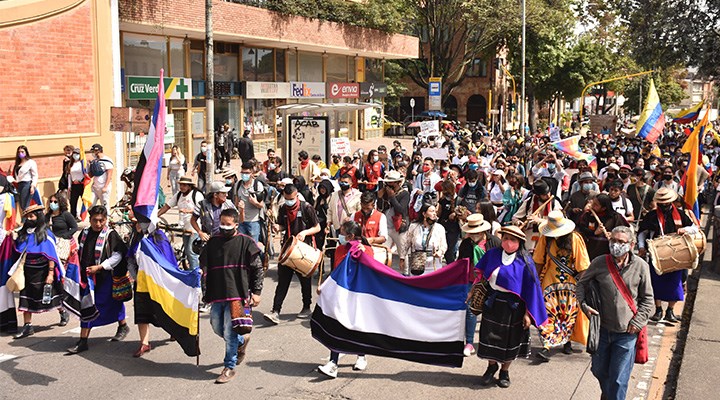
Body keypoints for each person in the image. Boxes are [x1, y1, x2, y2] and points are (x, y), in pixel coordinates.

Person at [576, 226, 654, 400]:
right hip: (601, 331)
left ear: (631, 244)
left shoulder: (641, 266)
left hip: (626, 334)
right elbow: (581, 285)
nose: (616, 245)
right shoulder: (599, 262)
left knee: (618, 379)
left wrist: (637, 322)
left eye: (621, 242)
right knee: (598, 370)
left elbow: (648, 300)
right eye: (613, 241)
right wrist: (584, 305)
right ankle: (609, 395)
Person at [474, 225, 548, 388]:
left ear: (519, 242)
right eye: (505, 238)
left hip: (514, 307)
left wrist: (528, 314)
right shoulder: (492, 254)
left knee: (510, 341)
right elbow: (480, 273)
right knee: (489, 337)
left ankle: (504, 371)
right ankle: (491, 367)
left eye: (512, 240)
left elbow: (532, 290)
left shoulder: (525, 261)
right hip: (492, 302)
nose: (508, 242)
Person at [200, 208, 263, 384]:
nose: (224, 227)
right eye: (222, 223)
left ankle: (229, 367)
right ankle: (242, 340)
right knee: (216, 326)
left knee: (229, 331)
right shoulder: (213, 242)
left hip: (237, 294)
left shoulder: (246, 243)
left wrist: (256, 292)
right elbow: (203, 263)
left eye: (228, 225)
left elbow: (257, 269)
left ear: (236, 224)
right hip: (216, 293)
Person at [67, 205, 130, 353]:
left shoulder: (110, 234)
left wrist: (101, 266)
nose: (98, 224)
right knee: (87, 306)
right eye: (95, 220)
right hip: (87, 277)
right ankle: (83, 341)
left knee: (113, 302)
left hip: (104, 276)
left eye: (101, 220)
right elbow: (82, 250)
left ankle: (122, 325)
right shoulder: (84, 233)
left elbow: (118, 255)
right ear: (90, 220)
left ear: (106, 219)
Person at [533, 211, 590, 361]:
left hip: (570, 283)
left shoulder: (575, 239)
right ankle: (547, 345)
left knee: (568, 313)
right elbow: (538, 260)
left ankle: (567, 341)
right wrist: (535, 281)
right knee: (548, 313)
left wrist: (582, 286)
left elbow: (583, 266)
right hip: (549, 281)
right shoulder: (546, 237)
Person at [317, 220, 371, 378]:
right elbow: (336, 272)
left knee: (357, 325)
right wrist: (324, 285)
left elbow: (371, 271)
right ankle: (333, 363)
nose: (339, 236)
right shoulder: (339, 249)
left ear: (351, 236)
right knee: (337, 326)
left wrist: (364, 253)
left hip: (359, 295)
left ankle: (361, 356)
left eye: (341, 233)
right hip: (341, 294)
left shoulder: (366, 249)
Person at [637, 188, 697, 323]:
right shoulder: (651, 216)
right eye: (661, 202)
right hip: (656, 255)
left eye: (666, 202)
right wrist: (641, 247)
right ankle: (658, 310)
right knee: (656, 283)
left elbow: (694, 228)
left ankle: (670, 311)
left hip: (677, 255)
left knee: (675, 283)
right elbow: (642, 232)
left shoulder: (681, 214)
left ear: (671, 202)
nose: (664, 205)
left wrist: (685, 229)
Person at [264, 184, 320, 324]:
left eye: (292, 198)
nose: (290, 201)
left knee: (305, 281)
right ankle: (275, 311)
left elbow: (317, 227)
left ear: (297, 195)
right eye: (287, 198)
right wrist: (279, 227)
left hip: (303, 248)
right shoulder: (283, 208)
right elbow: (283, 224)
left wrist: (304, 232)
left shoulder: (306, 208)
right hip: (288, 247)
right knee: (282, 281)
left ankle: (306, 307)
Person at [12, 205, 65, 339]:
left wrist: (51, 273)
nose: (29, 219)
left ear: (39, 217)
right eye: (27, 217)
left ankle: (63, 311)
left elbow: (51, 255)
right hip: (27, 271)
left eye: (32, 216)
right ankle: (28, 326)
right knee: (25, 299)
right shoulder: (23, 233)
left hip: (43, 271)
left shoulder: (46, 233)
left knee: (52, 295)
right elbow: (17, 248)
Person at [457, 214, 498, 357]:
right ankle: (469, 342)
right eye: (470, 232)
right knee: (470, 310)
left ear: (482, 232)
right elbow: (460, 263)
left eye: (474, 232)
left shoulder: (494, 242)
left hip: (491, 282)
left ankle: (490, 342)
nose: (471, 235)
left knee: (491, 311)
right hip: (470, 281)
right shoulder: (465, 244)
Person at [158, 176, 205, 271]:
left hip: (194, 228)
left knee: (191, 252)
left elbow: (202, 210)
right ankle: (189, 273)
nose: (182, 187)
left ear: (189, 186)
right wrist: (156, 215)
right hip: (183, 228)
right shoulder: (179, 195)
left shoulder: (196, 195)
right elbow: (167, 206)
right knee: (187, 252)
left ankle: (196, 274)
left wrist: (188, 211)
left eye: (184, 185)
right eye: (181, 185)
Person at [512, 180, 563, 252]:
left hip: (547, 238)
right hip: (530, 240)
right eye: (544, 194)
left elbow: (559, 222)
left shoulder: (554, 203)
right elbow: (514, 217)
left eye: (548, 192)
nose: (548, 195)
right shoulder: (529, 202)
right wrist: (518, 222)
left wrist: (540, 220)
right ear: (538, 195)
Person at [576, 194, 630, 261]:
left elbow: (625, 230)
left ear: (603, 208)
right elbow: (580, 229)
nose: (592, 206)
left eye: (596, 205)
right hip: (589, 252)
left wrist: (613, 234)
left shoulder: (615, 217)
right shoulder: (587, 215)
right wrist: (594, 233)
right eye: (593, 203)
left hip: (608, 252)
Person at [377, 170, 410, 274]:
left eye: (391, 183)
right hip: (386, 226)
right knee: (383, 251)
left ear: (398, 183)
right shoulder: (385, 192)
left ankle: (405, 273)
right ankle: (383, 272)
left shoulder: (405, 194)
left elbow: (401, 209)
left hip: (399, 227)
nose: (388, 185)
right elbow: (380, 207)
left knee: (402, 253)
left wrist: (392, 197)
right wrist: (380, 197)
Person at [403, 203, 447, 274]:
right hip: (417, 264)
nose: (435, 214)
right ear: (424, 214)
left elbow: (444, 245)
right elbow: (406, 244)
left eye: (435, 212)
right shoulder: (414, 227)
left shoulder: (439, 228)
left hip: (433, 264)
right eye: (432, 211)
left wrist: (440, 252)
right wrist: (402, 258)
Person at [235, 161, 266, 243]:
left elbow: (261, 205)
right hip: (241, 221)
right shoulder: (238, 185)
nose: (244, 175)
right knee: (241, 244)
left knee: (253, 246)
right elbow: (235, 202)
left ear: (252, 173)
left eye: (247, 173)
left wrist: (255, 202)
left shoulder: (257, 186)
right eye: (242, 172)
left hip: (253, 221)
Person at [438, 179, 461, 263]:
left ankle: (451, 267)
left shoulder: (458, 200)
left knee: (449, 249)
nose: (443, 192)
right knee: (442, 248)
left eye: (444, 189)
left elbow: (463, 212)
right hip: (443, 225)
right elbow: (439, 213)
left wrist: (455, 213)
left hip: (453, 228)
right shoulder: (443, 200)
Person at [12, 145, 38, 211]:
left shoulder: (30, 162)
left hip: (27, 183)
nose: (20, 153)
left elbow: (35, 175)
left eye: (22, 152)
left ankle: (24, 220)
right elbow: (17, 176)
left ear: (26, 152)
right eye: (19, 152)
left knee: (25, 204)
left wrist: (33, 186)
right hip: (19, 184)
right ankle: (26, 219)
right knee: (21, 204)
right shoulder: (18, 164)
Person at [89, 143, 114, 208]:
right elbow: (91, 175)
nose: (93, 153)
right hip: (95, 187)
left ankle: (107, 217)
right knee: (90, 204)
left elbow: (109, 174)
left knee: (105, 205)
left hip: (103, 186)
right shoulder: (94, 161)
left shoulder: (107, 160)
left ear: (98, 151)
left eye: (93, 151)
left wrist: (105, 186)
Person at [68, 147, 85, 220]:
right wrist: (69, 186)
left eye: (77, 153)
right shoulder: (71, 164)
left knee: (84, 201)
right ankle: (73, 217)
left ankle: (85, 215)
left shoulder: (82, 163)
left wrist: (81, 180)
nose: (76, 155)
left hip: (81, 185)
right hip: (74, 185)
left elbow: (85, 174)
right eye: (74, 153)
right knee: (73, 202)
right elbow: (69, 175)